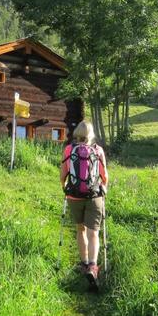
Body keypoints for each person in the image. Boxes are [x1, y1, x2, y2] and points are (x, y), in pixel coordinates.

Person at [60, 120, 108, 289]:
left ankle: (84, 263)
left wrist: (66, 189)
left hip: (74, 197)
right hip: (94, 196)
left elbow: (62, 175)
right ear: (91, 134)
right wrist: (103, 189)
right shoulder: (98, 150)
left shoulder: (68, 149)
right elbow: (105, 177)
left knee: (80, 230)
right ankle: (93, 267)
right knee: (93, 233)